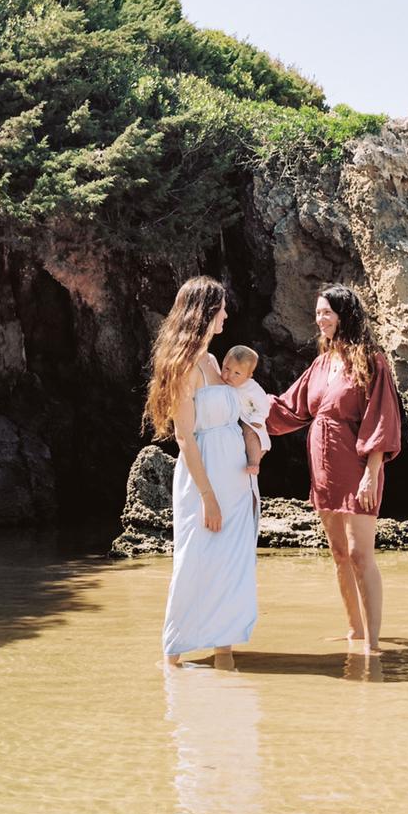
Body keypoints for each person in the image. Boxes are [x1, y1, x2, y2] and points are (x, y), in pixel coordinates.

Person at [265, 284, 401, 655]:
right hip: (322, 465)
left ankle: (373, 642)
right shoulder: (321, 364)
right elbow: (289, 409)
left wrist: (372, 472)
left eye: (326, 312)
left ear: (345, 315)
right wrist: (238, 399)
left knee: (361, 554)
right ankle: (354, 632)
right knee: (339, 553)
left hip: (357, 464)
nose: (320, 319)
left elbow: (382, 418)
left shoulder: (372, 361)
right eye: (318, 313)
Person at [145, 277, 260, 667]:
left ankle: (224, 649)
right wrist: (208, 496)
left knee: (231, 561)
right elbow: (185, 438)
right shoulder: (183, 367)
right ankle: (174, 655)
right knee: (196, 560)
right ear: (206, 312)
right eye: (222, 308)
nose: (227, 315)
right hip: (204, 479)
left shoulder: (215, 362)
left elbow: (243, 413)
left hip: (236, 479)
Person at [220, 345, 272, 466]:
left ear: (248, 376)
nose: (230, 375)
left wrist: (258, 419)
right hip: (233, 420)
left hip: (249, 419)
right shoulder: (220, 381)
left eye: (237, 373)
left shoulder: (252, 388)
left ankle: (254, 462)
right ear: (222, 363)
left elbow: (263, 404)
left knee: (250, 434)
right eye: (227, 369)